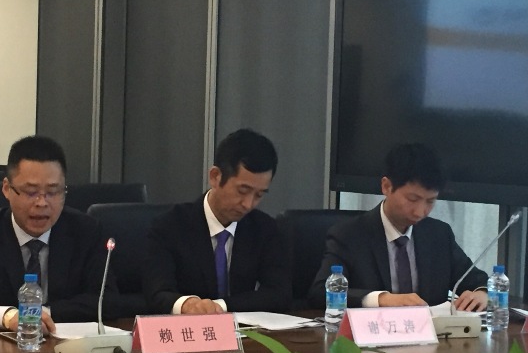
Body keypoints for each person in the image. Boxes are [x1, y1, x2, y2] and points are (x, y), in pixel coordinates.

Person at [0, 135, 128, 331]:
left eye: (53, 192)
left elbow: (107, 300)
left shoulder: (86, 232)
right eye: (31, 192)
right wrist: (8, 317)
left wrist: (41, 314)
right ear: (7, 189)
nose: (42, 203)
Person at [308, 143, 488, 311]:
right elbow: (320, 293)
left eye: (430, 201)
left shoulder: (439, 234)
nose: (420, 212)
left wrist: (482, 293)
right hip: (372, 333)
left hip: (430, 333)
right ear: (386, 186)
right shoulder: (349, 235)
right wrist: (382, 299)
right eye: (412, 199)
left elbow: (477, 281)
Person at [144, 128, 291, 315]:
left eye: (259, 195)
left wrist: (220, 306)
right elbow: (157, 292)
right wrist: (187, 304)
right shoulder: (169, 226)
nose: (248, 204)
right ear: (215, 177)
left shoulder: (265, 229)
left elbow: (279, 294)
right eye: (242, 191)